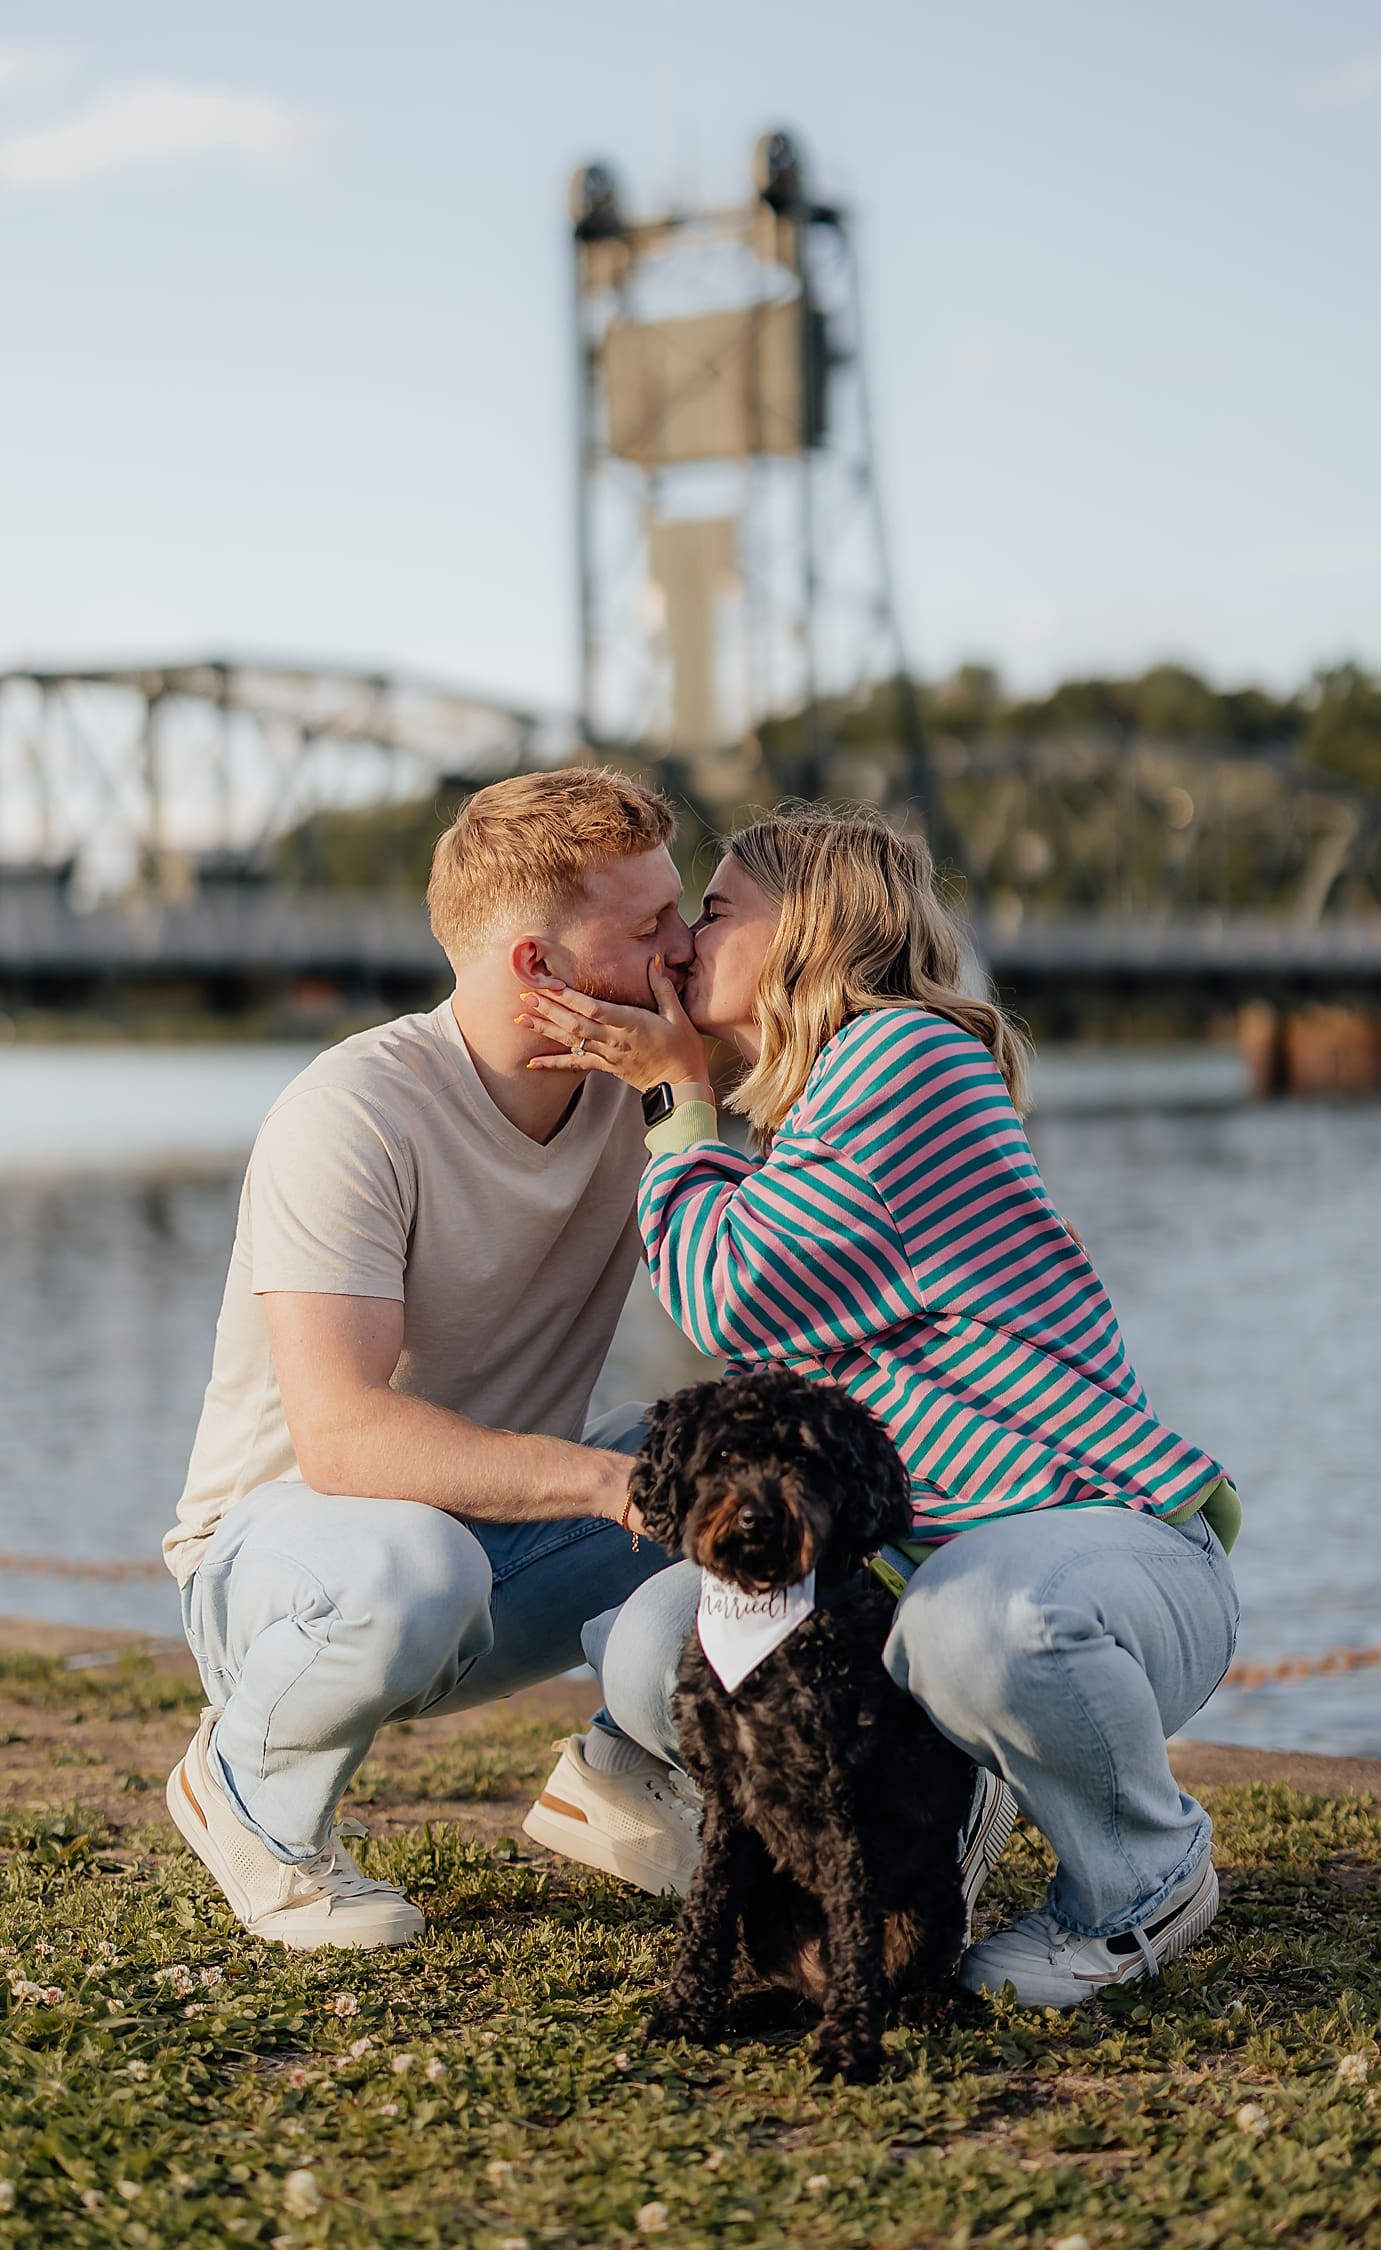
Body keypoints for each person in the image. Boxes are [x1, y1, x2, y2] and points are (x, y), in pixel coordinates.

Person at [517, 805, 1242, 2008]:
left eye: (715, 912)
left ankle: (1144, 1876)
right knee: (658, 1652)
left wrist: (674, 1098)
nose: (686, 945)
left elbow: (730, 1289)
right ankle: (942, 1814)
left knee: (972, 1629)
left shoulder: (904, 1058)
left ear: (806, 929)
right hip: (920, 1569)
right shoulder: (813, 1113)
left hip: (1099, 1555)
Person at [162, 767, 717, 1948]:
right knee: (420, 1563)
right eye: (652, 925)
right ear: (538, 969)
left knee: (753, 1458)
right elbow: (345, 1437)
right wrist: (611, 1486)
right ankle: (246, 1794)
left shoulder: (657, 1083)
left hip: (494, 1547)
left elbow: (782, 1289)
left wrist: (685, 1092)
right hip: (290, 1572)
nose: (689, 945)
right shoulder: (354, 1110)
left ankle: (622, 1777)